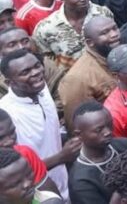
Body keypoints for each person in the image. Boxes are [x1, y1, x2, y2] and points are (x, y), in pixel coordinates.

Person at [0, 49, 73, 198]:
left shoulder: (41, 87)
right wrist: (61, 157)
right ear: (9, 82)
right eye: (25, 72)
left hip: (64, 182)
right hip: (37, 194)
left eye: (37, 66)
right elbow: (17, 169)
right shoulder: (7, 115)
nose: (35, 73)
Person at [68, 102, 127, 204]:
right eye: (99, 130)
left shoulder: (125, 145)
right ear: (79, 135)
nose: (108, 132)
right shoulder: (81, 181)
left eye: (109, 124)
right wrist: (122, 186)